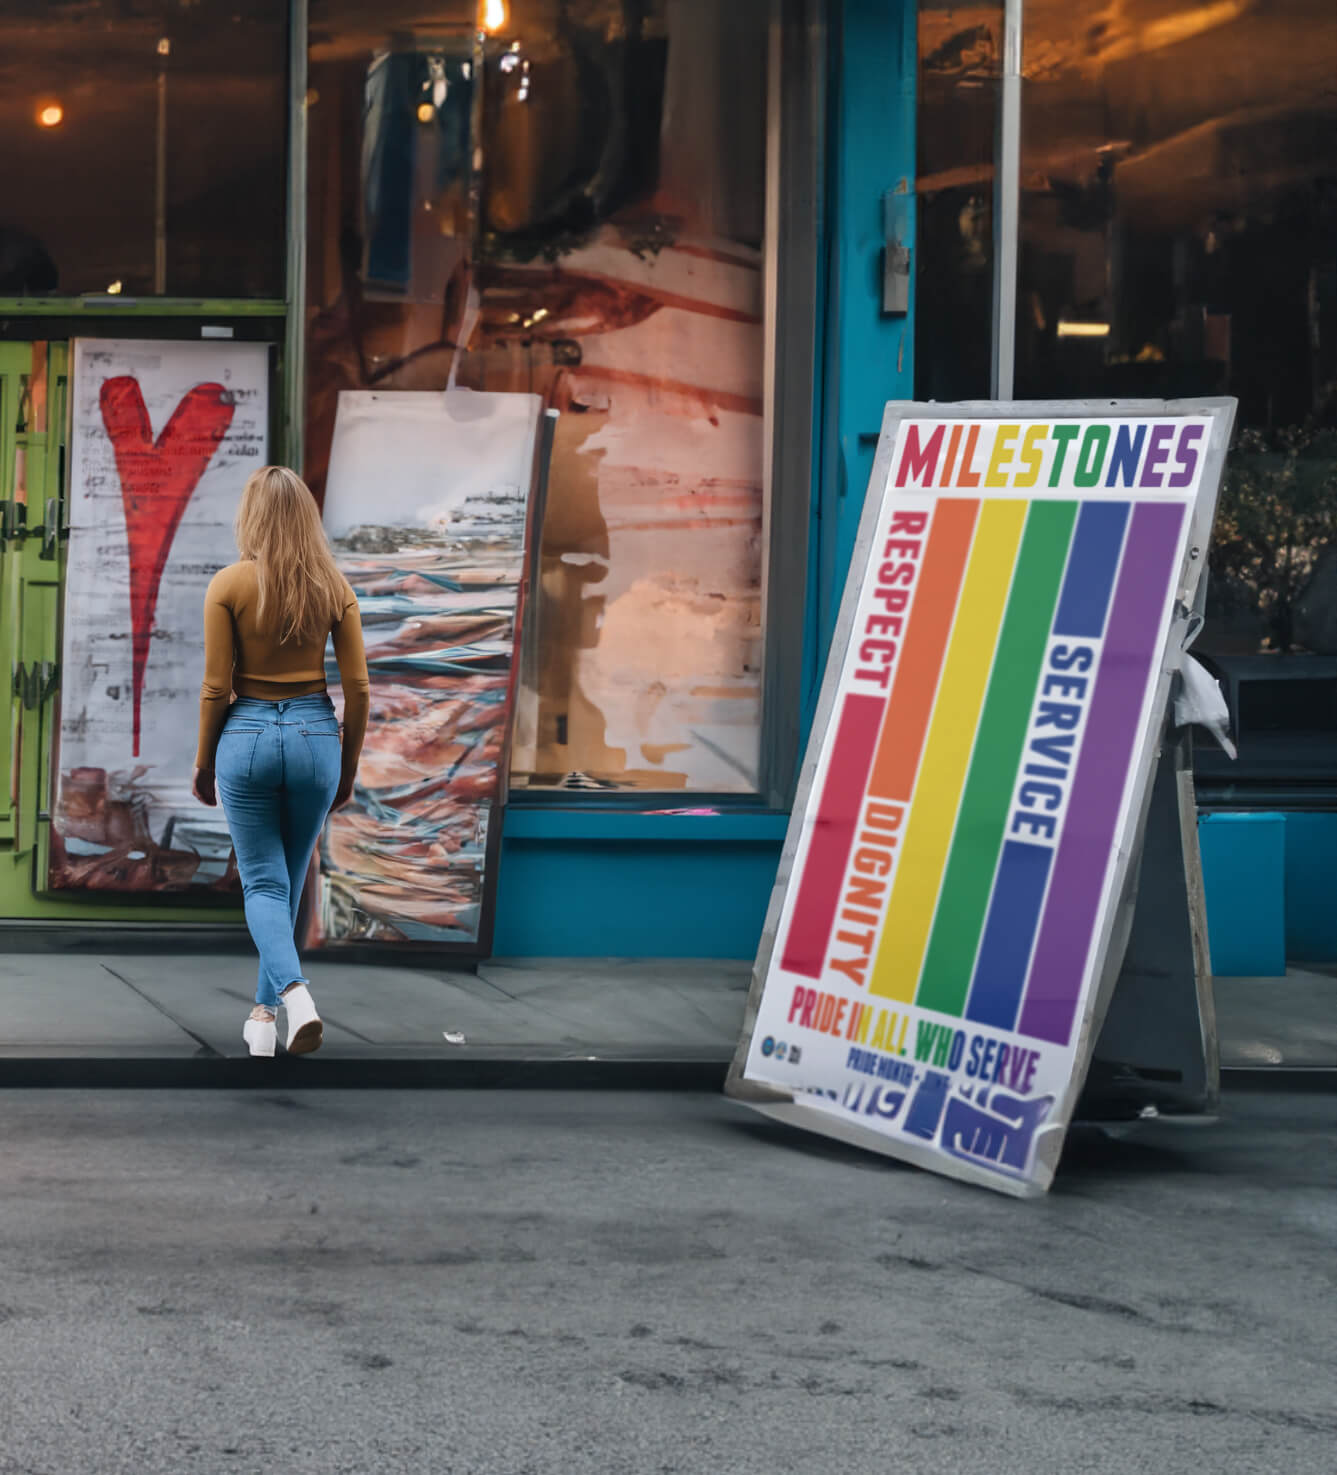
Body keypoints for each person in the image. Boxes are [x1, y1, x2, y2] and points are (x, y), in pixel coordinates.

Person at [192, 466, 370, 1058]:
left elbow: (217, 689)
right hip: (318, 737)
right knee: (287, 882)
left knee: (265, 884)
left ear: (253, 517)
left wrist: (201, 763)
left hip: (244, 739)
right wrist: (346, 767)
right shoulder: (334, 586)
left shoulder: (228, 584)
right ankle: (265, 1018)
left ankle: (291, 997)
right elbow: (361, 689)